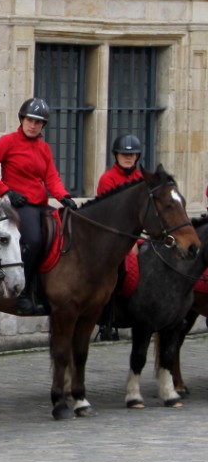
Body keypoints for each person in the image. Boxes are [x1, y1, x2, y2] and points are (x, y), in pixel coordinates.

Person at [0, 98, 77, 316]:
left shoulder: (44, 148)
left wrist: (64, 196)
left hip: (40, 205)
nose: (33, 125)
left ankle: (50, 290)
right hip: (18, 207)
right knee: (34, 240)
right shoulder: (7, 142)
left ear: (43, 126)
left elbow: (52, 179)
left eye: (38, 122)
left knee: (61, 236)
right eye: (30, 120)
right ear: (22, 120)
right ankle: (23, 295)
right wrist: (6, 191)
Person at [95, 134, 145, 341]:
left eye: (132, 154)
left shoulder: (141, 180)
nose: (128, 157)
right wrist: (128, 243)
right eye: (124, 154)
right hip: (113, 236)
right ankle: (107, 321)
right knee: (116, 271)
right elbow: (108, 214)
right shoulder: (108, 179)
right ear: (116, 155)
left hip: (137, 236)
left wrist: (137, 240)